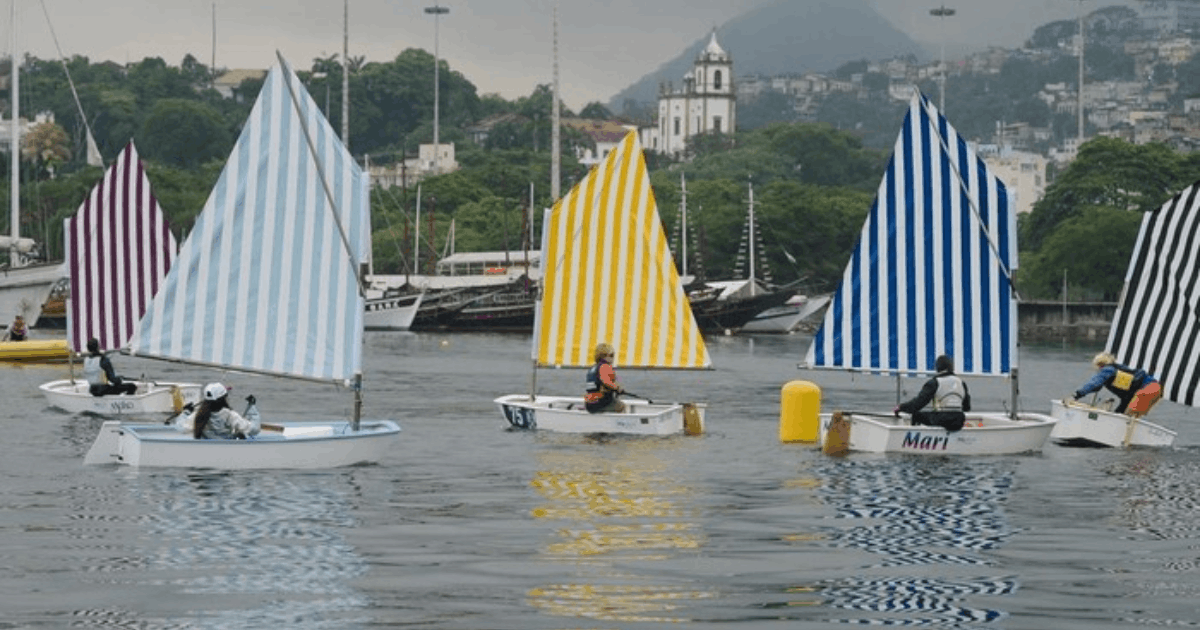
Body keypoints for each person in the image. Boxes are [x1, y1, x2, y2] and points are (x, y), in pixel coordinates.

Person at [894, 354, 971, 432]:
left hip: (941, 419)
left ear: (937, 368)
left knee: (917, 415)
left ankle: (915, 441)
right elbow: (967, 407)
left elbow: (917, 404)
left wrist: (901, 407)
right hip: (959, 421)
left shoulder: (934, 383)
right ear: (951, 367)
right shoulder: (961, 383)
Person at [1073, 352, 1161, 417]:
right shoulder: (1118, 368)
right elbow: (1128, 395)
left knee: (1130, 416)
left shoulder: (1108, 369)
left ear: (1099, 364)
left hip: (1147, 389)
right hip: (1154, 389)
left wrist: (1078, 394)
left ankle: (1123, 438)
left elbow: (1094, 384)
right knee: (1122, 415)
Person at [189, 382, 261, 440]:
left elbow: (179, 427)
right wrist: (252, 406)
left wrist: (186, 412)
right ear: (223, 398)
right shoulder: (229, 415)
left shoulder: (198, 414)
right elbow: (254, 430)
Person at [584, 342, 626, 413]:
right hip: (601, 402)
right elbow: (606, 381)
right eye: (612, 355)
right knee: (621, 406)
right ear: (604, 356)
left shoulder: (594, 368)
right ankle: (622, 423)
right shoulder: (604, 366)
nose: (613, 358)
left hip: (589, 404)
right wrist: (617, 388)